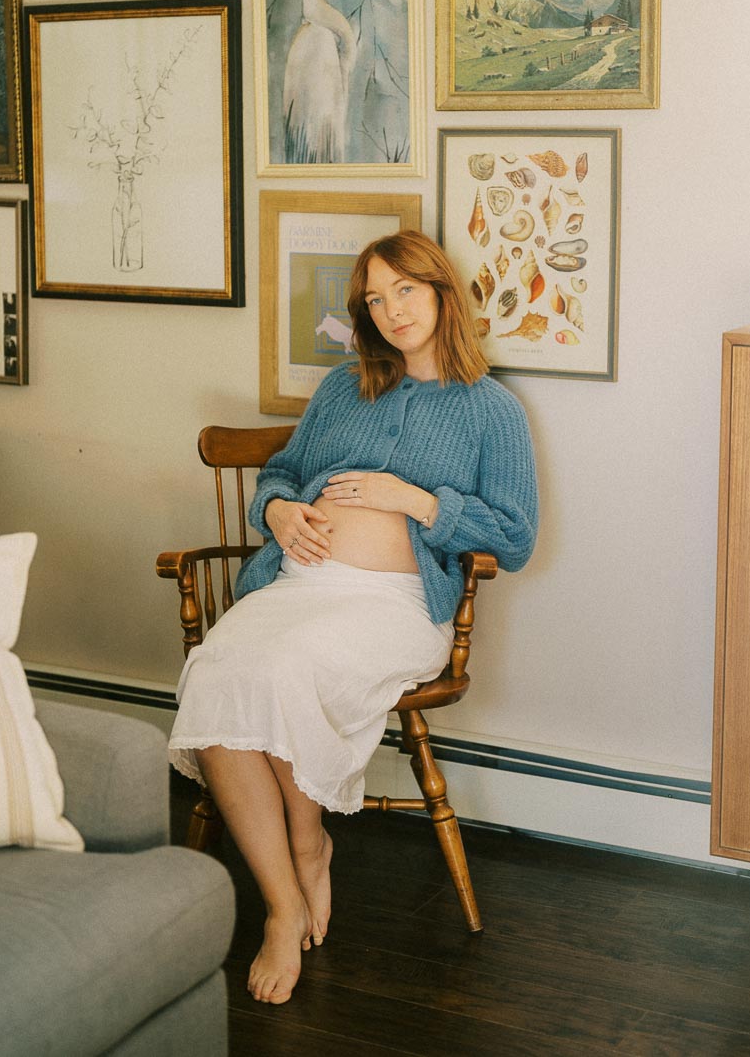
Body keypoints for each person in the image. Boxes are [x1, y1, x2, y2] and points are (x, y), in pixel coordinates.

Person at [168, 229, 538, 1006]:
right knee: (218, 675)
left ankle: (308, 848)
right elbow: (281, 472)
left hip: (394, 605)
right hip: (294, 587)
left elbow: (513, 536)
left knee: (281, 672)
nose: (392, 310)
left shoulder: (491, 410)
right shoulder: (345, 387)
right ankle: (283, 899)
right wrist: (278, 512)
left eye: (405, 289)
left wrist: (417, 501)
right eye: (375, 298)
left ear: (440, 291)